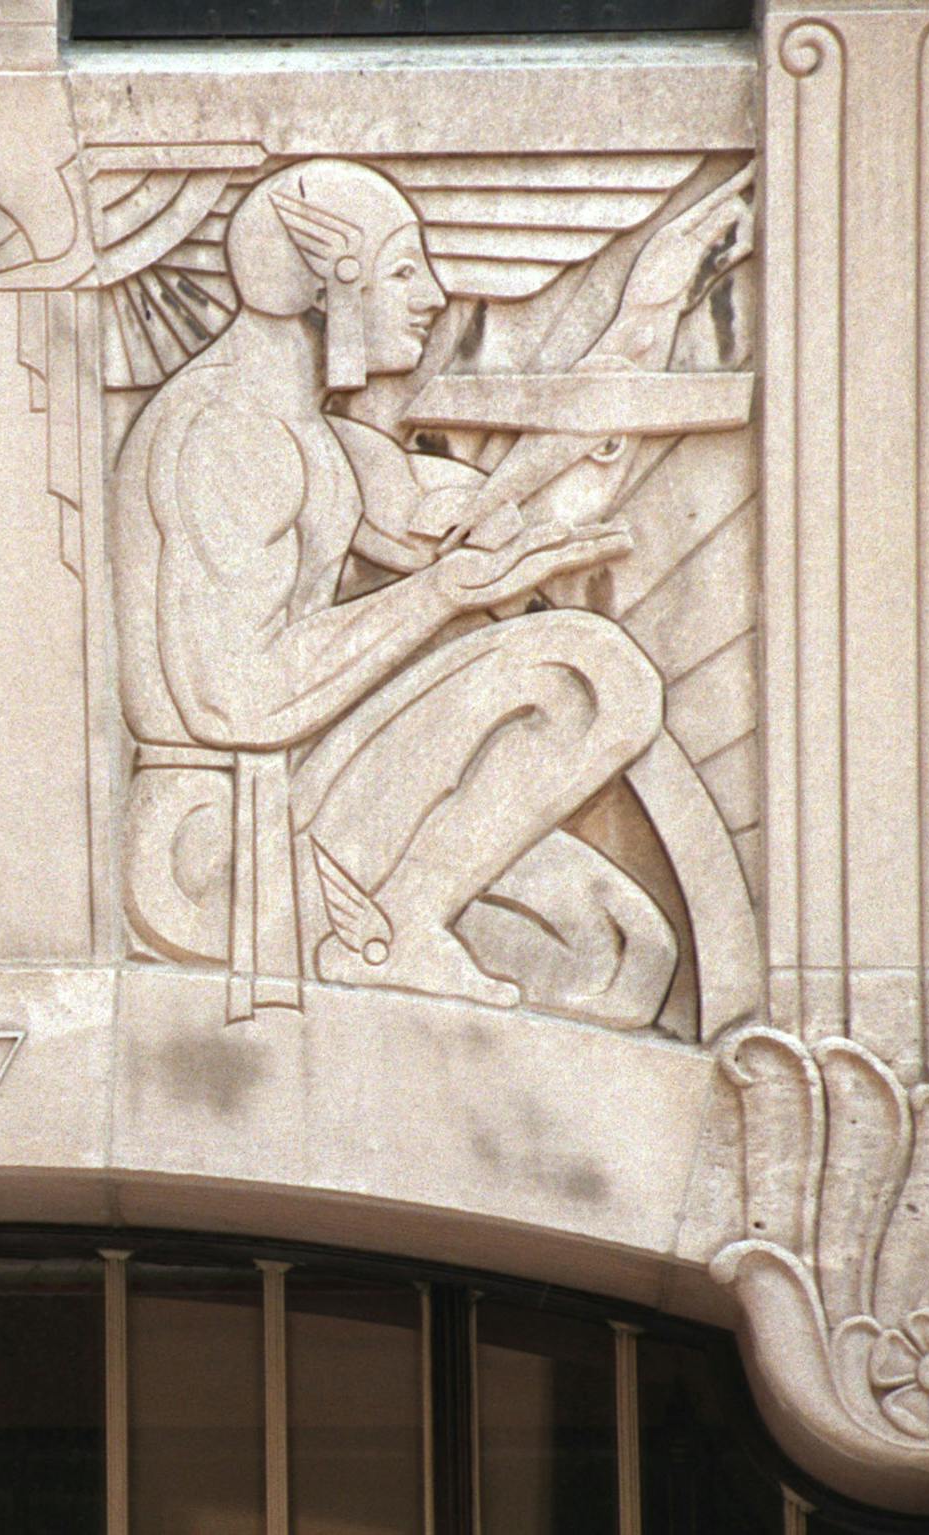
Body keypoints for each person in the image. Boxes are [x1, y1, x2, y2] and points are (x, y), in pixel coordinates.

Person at [111, 158, 751, 1014]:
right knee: (588, 673)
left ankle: (393, 937)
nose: (432, 295)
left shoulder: (323, 442)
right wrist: (440, 595)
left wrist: (647, 310)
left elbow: (488, 513)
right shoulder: (230, 435)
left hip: (299, 818)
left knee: (621, 951)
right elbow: (234, 698)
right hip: (215, 852)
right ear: (327, 284)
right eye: (404, 268)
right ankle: (394, 930)